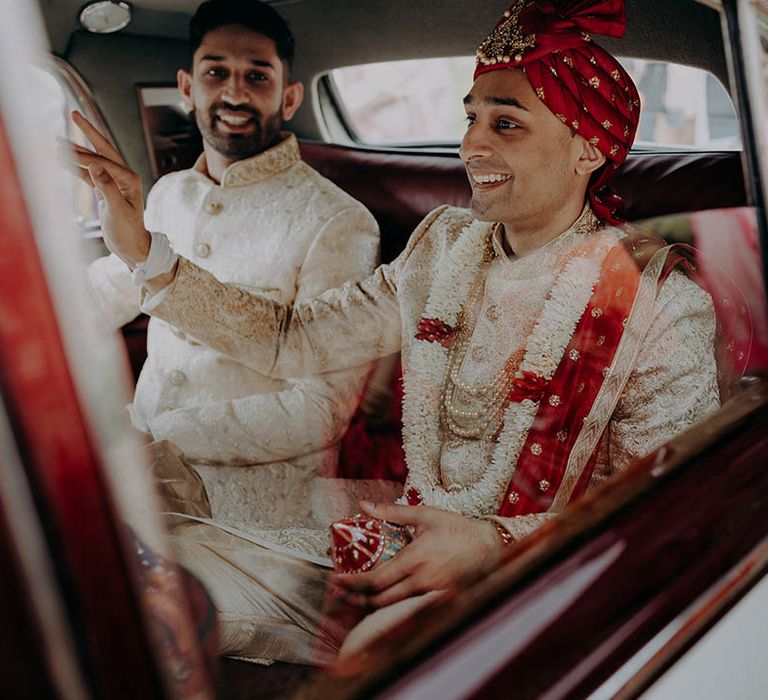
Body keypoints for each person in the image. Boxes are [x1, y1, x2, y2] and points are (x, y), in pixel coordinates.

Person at [72, 0, 720, 665]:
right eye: (471, 118)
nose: (473, 145)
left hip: (539, 581)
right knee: (146, 575)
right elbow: (295, 336)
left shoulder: (659, 305)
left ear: (590, 146)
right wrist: (147, 255)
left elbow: (669, 515)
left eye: (506, 124)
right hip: (393, 548)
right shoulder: (442, 247)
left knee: (379, 650)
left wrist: (494, 543)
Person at [83, 0, 384, 536]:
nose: (234, 93)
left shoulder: (338, 222)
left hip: (256, 511)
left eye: (257, 76)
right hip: (135, 477)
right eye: (216, 72)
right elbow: (111, 285)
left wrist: (161, 438)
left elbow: (321, 409)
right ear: (186, 87)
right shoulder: (170, 192)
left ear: (288, 97)